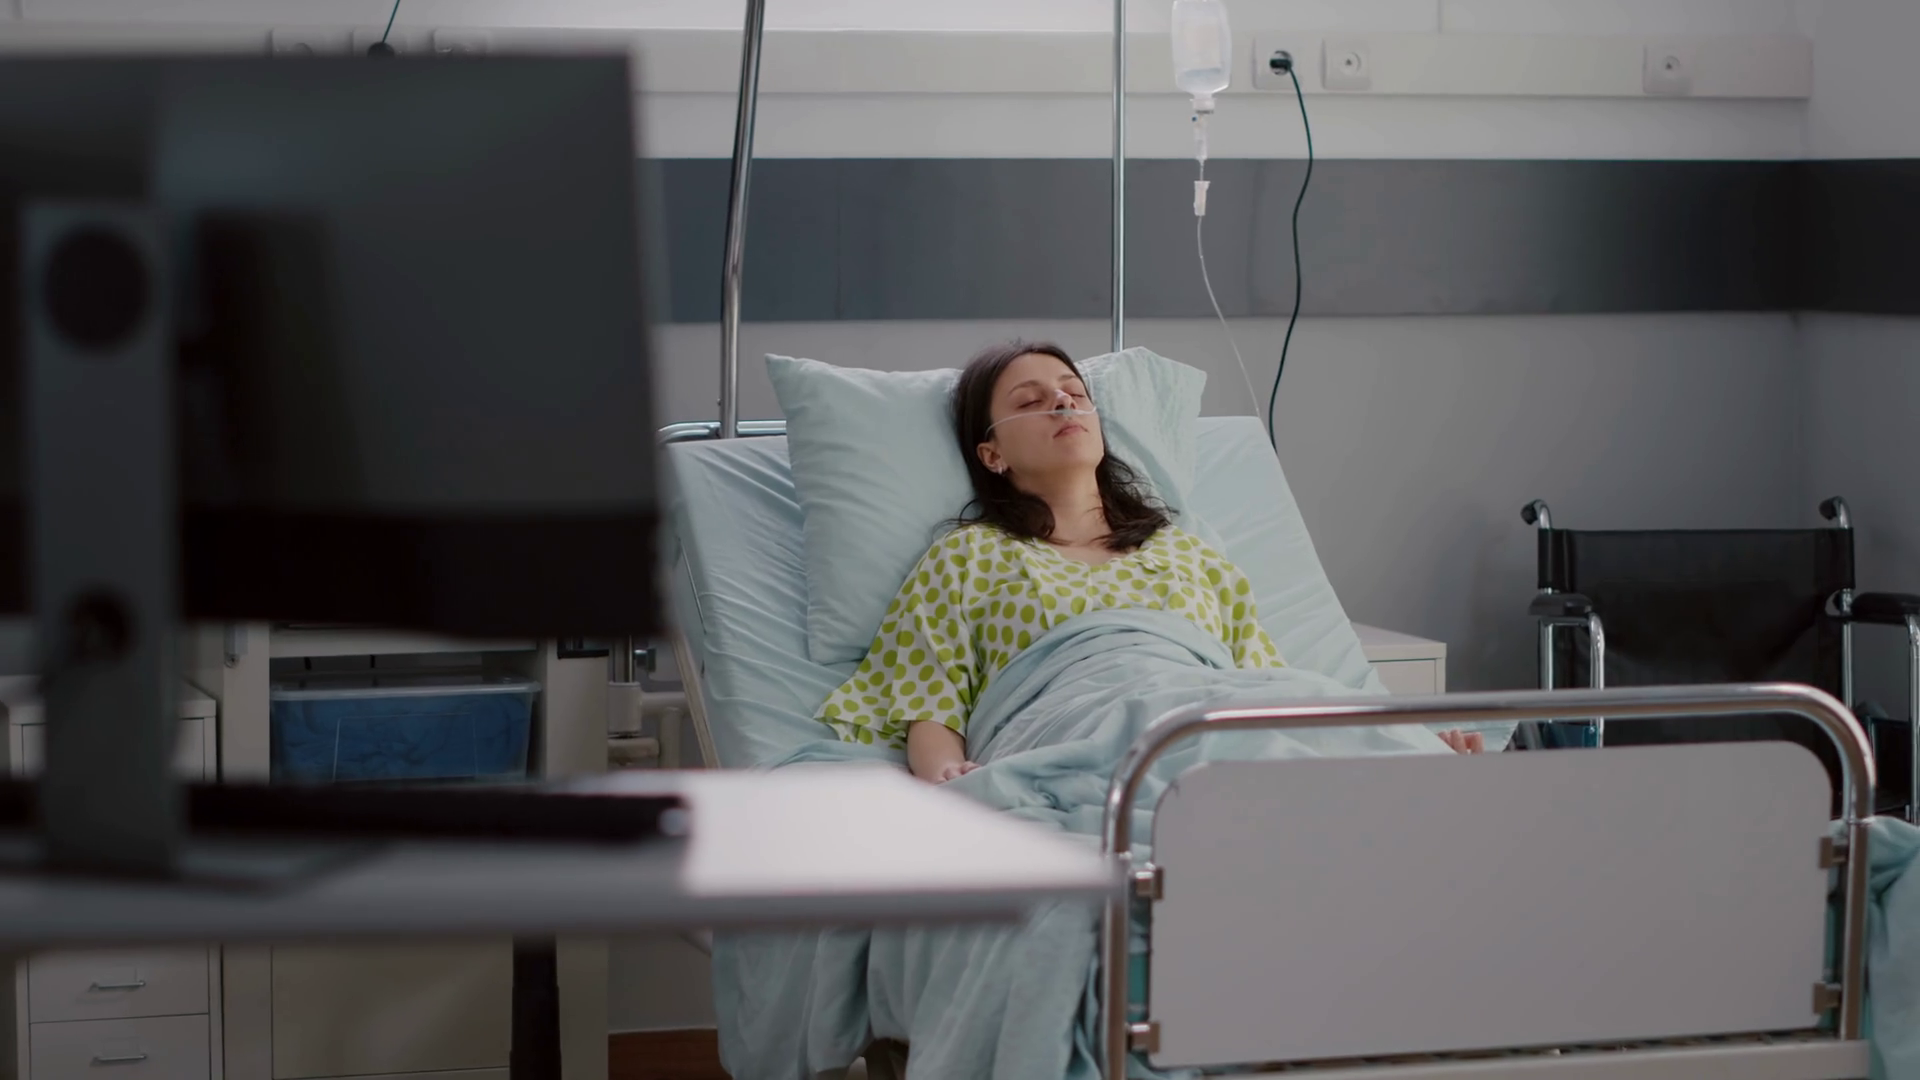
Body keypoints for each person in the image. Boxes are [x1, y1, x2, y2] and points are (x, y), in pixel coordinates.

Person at [814, 340, 1484, 781]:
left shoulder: (1188, 554)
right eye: (1030, 402)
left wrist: (1397, 743)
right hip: (1077, 736)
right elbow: (931, 706)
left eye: (1074, 392)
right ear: (992, 454)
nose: (1063, 402)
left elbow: (1267, 688)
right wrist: (949, 780)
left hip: (1216, 726)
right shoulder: (965, 559)